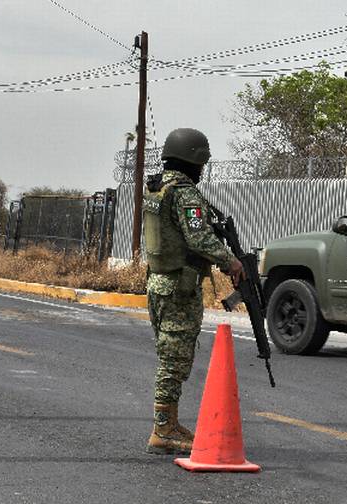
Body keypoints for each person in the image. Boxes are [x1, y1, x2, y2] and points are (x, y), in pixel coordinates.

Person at [142, 127, 244, 454]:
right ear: (192, 160)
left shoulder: (156, 188)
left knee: (169, 355)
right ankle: (163, 429)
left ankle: (168, 424)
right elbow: (199, 238)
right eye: (201, 163)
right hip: (179, 288)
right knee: (174, 360)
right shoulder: (185, 194)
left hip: (158, 283)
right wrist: (230, 262)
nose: (202, 169)